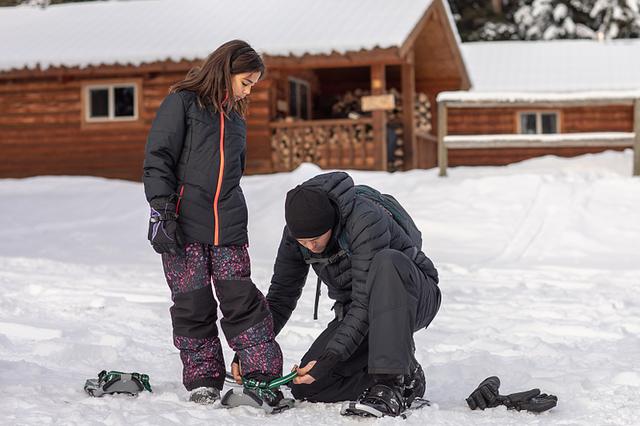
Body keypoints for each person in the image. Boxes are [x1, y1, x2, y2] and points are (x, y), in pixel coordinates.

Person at [143, 40, 283, 405]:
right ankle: (203, 378)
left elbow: (235, 172)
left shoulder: (235, 117)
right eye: (247, 82)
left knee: (242, 300)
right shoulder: (182, 103)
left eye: (253, 84)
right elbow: (158, 158)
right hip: (183, 223)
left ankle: (261, 373)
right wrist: (162, 211)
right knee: (193, 303)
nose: (249, 90)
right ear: (226, 70)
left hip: (229, 224)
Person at [264, 171, 442, 417]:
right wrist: (254, 348)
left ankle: (391, 383)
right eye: (303, 242)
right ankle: (409, 375)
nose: (311, 247)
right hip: (358, 310)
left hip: (413, 294)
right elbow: (281, 295)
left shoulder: (365, 219)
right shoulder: (296, 235)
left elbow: (365, 300)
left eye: (316, 239)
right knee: (309, 386)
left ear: (331, 222)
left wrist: (332, 356)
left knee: (387, 261)